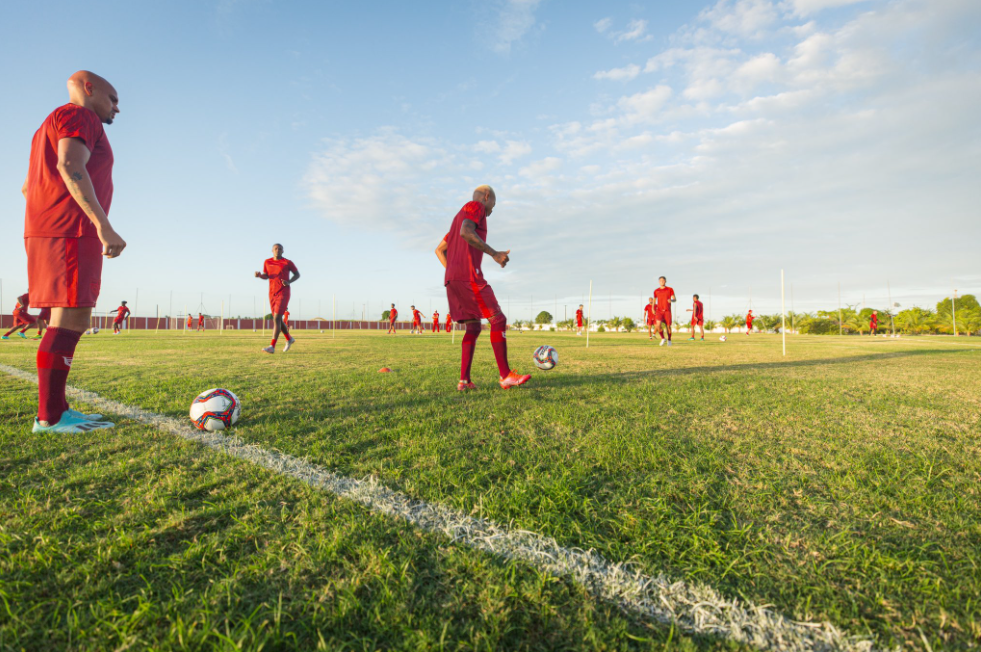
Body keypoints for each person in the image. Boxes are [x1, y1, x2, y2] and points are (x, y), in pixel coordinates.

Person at [20, 71, 124, 432]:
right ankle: (49, 417)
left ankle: (57, 409)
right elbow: (69, 164)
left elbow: (27, 186)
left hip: (52, 229)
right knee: (72, 319)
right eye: (113, 99)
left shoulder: (48, 125)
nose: (117, 108)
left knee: (67, 318)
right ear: (88, 88)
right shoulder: (80, 115)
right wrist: (102, 224)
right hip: (71, 230)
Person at [434, 185, 530, 390]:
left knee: (474, 326)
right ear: (487, 197)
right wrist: (494, 253)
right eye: (493, 203)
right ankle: (506, 375)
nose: (492, 209)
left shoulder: (458, 217)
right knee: (498, 318)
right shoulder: (475, 207)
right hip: (467, 277)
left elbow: (439, 250)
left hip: (452, 280)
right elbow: (466, 232)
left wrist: (453, 270)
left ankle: (464, 381)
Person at [254, 243, 299, 353]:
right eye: (275, 248)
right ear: (272, 250)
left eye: (280, 249)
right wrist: (260, 275)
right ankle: (289, 338)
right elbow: (266, 276)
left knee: (276, 318)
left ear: (283, 251)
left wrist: (288, 282)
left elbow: (297, 274)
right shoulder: (267, 262)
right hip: (272, 293)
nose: (277, 250)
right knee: (277, 318)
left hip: (284, 292)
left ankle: (272, 346)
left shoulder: (287, 262)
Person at [653, 276, 676, 346]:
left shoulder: (670, 289)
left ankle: (669, 340)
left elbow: (674, 299)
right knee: (658, 325)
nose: (662, 281)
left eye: (663, 280)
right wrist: (652, 308)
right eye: (660, 280)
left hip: (667, 311)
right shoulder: (656, 291)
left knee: (668, 326)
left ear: (665, 281)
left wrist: (671, 300)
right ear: (658, 282)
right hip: (659, 310)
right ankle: (663, 338)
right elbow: (654, 300)